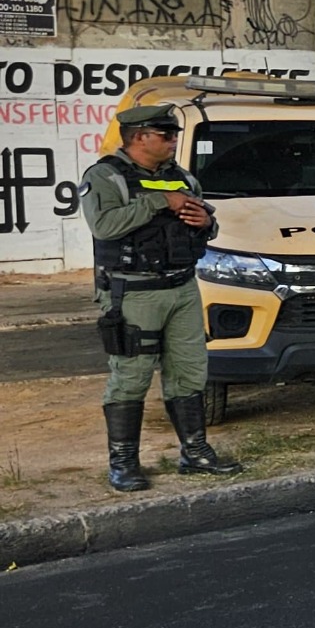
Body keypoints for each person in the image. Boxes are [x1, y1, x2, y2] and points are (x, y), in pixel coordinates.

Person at [80, 103, 241, 491]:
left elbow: (202, 227)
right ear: (139, 137)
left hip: (182, 288)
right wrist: (157, 202)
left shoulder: (181, 177)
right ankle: (123, 464)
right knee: (131, 377)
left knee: (189, 372)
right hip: (133, 291)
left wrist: (207, 223)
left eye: (173, 135)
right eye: (165, 135)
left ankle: (195, 452)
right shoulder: (105, 176)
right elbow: (104, 226)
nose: (173, 141)